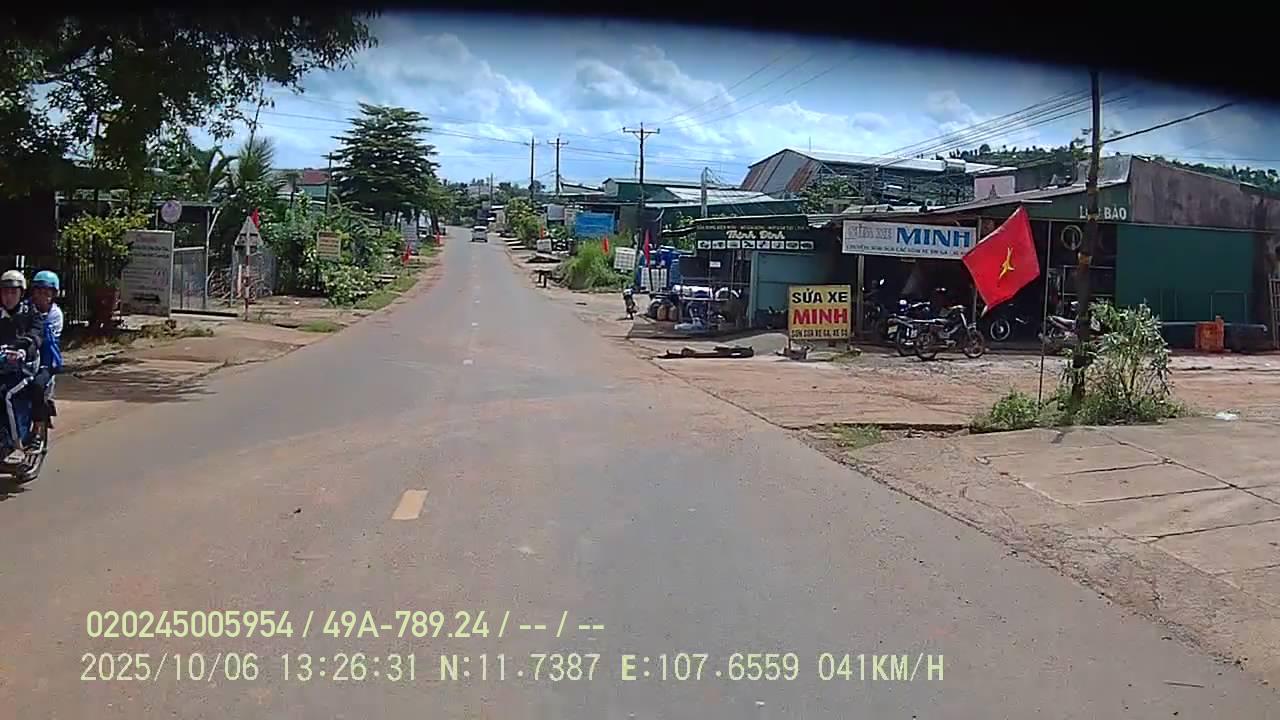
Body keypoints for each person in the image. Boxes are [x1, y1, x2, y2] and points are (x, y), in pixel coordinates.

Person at [0, 269, 42, 460]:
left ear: (21, 293)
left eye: (13, 292)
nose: (8, 297)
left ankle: (17, 444)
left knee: (6, 395)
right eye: (4, 292)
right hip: (2, 367)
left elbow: (36, 335)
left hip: (25, 368)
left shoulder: (31, 312)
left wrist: (23, 348)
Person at [23, 271, 62, 452]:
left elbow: (43, 339)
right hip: (22, 357)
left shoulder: (55, 315)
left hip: (45, 360)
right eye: (38, 291)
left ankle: (37, 430)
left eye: (47, 292)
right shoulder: (24, 308)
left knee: (37, 386)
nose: (42, 296)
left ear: (53, 295)